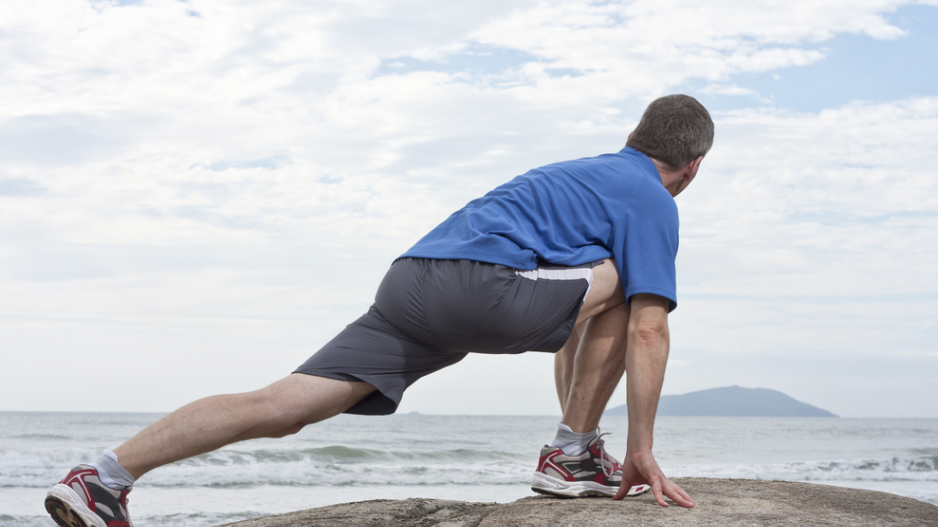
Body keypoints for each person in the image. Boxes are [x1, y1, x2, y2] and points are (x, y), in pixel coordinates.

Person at [44, 94, 713, 527]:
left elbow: (577, 306)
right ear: (693, 165)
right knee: (633, 283)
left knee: (281, 403)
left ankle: (102, 476)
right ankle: (571, 453)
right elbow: (648, 328)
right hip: (484, 285)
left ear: (634, 134)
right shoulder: (649, 196)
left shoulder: (577, 174)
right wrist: (641, 449)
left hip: (413, 277)